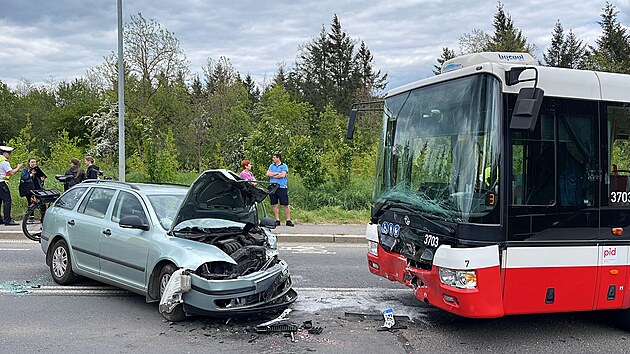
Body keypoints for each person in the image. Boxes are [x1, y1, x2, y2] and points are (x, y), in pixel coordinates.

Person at [266, 153, 293, 227]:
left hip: (281, 187)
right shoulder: (271, 166)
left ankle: (288, 220)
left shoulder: (284, 166)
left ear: (278, 158)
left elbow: (282, 175)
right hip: (273, 186)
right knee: (274, 204)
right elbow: (268, 173)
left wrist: (273, 175)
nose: (273, 159)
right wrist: (277, 173)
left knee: (285, 204)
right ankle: (277, 220)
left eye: (274, 158)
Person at [0, 146, 23, 225]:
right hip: (1, 184)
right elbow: (12, 172)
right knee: (7, 201)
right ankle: (7, 220)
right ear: (5, 152)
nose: (10, 154)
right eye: (9, 153)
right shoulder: (4, 162)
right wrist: (18, 167)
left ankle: (0, 219)